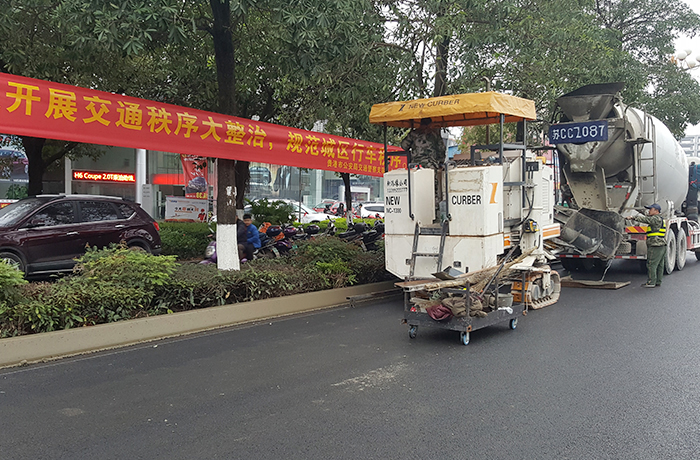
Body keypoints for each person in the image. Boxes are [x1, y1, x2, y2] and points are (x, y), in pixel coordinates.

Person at [626, 203, 666, 287]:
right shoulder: (661, 219)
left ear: (656, 211)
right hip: (661, 244)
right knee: (659, 264)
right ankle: (658, 281)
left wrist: (633, 217)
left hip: (655, 244)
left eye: (651, 209)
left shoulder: (656, 219)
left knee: (651, 264)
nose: (649, 211)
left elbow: (646, 220)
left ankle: (651, 282)